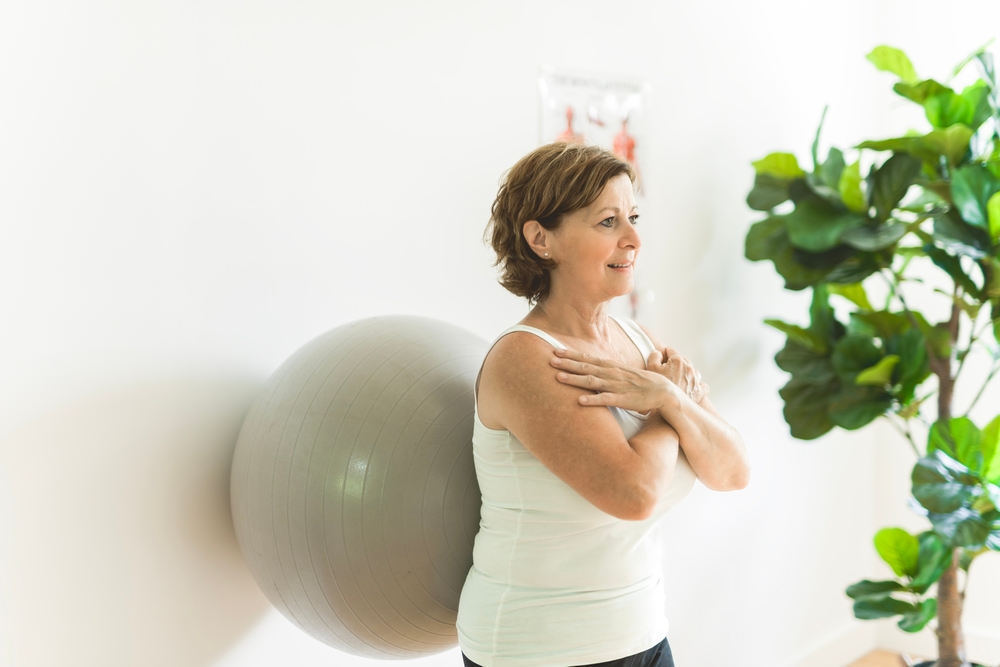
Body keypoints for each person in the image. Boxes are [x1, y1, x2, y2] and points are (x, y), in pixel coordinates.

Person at [455, 142, 750, 667]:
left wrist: (670, 399)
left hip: (641, 632)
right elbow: (632, 494)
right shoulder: (526, 358)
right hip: (540, 648)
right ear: (541, 238)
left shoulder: (637, 342)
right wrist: (667, 404)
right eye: (608, 222)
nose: (634, 239)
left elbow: (732, 470)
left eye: (633, 217)